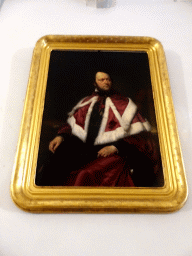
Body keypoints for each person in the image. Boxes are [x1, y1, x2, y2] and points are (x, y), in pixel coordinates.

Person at [36, 72, 162, 187]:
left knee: (84, 174)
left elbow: (139, 134)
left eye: (108, 79)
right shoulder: (87, 102)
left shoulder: (124, 103)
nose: (106, 82)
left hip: (113, 149)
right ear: (95, 83)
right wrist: (61, 136)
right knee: (55, 159)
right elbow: (73, 123)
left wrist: (115, 147)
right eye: (102, 79)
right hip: (86, 148)